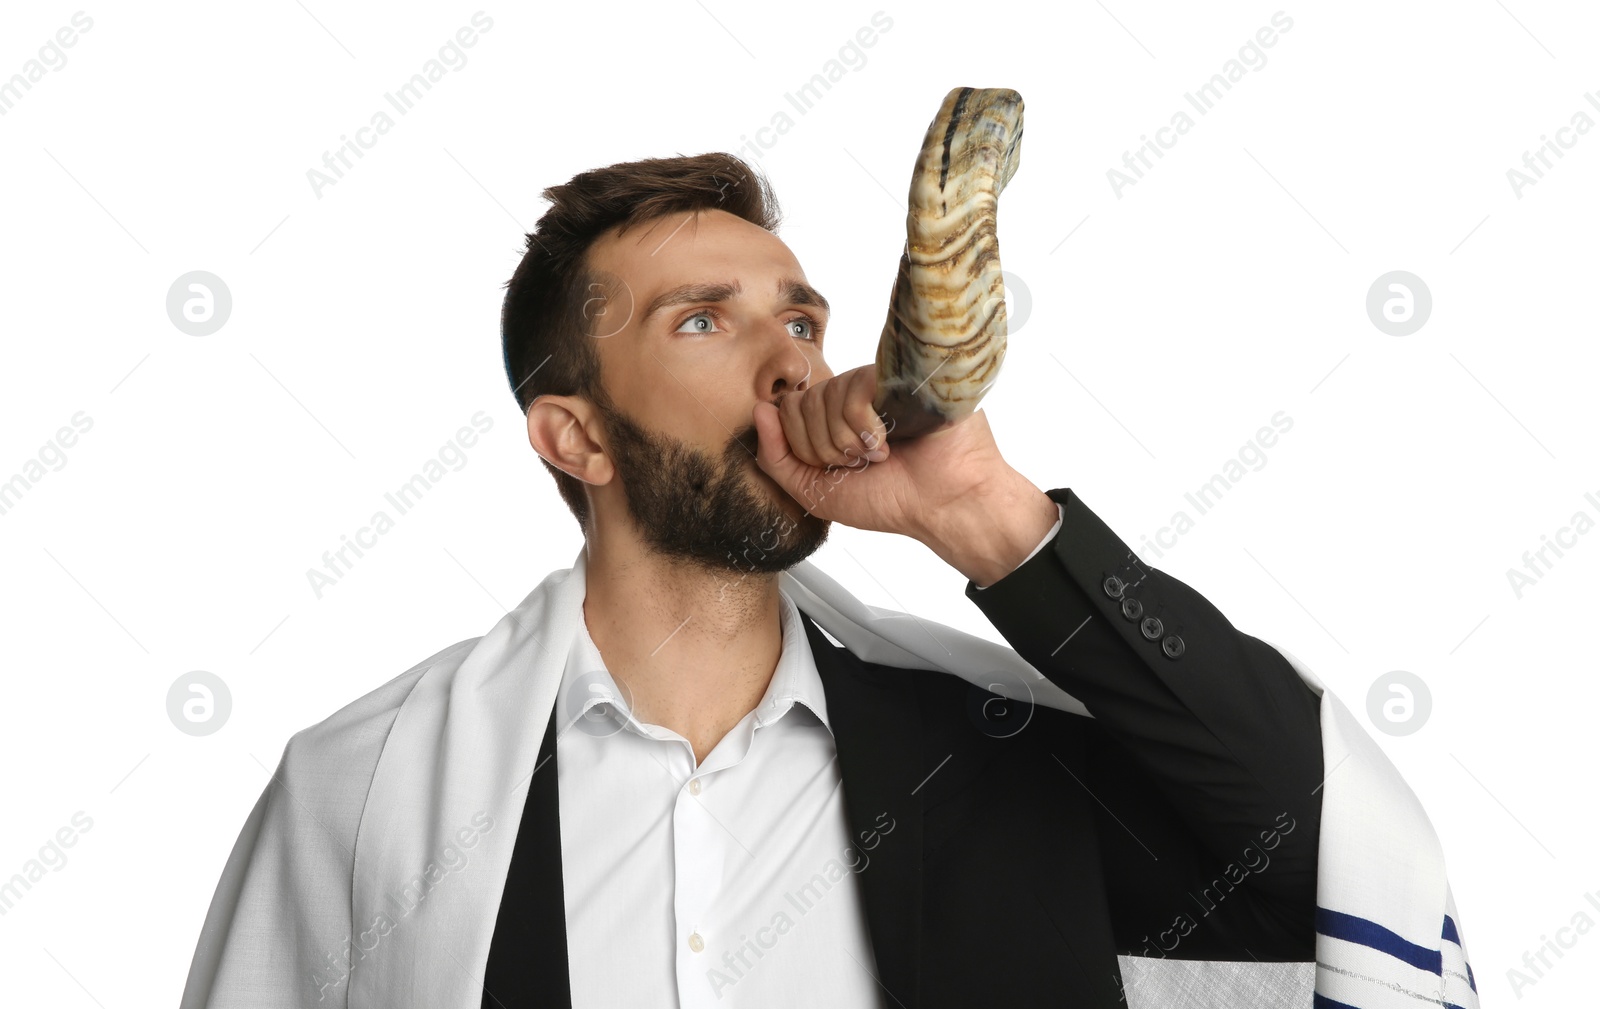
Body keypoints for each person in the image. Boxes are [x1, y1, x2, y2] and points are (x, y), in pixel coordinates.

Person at [181, 152, 1328, 1008]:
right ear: (577, 439)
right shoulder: (364, 789)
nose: (791, 361)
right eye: (701, 322)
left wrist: (983, 513)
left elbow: (1323, 841)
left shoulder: (1000, 746)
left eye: (800, 319)